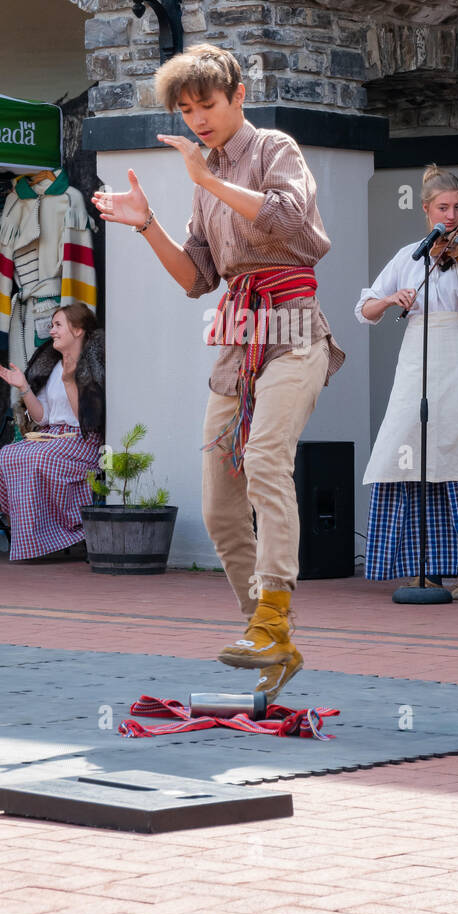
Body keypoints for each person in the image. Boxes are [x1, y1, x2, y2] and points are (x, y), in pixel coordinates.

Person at [92, 43, 344, 701]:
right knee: (219, 507)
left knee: (264, 460)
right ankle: (267, 637)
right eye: (186, 109)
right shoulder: (204, 183)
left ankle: (273, 616)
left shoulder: (276, 150)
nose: (197, 118)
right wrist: (146, 225)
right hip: (237, 347)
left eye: (207, 104)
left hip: (293, 334)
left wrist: (205, 181)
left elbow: (293, 225)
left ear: (237, 95)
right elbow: (197, 278)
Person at [355, 164, 458, 599]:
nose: (452, 215)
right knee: (408, 452)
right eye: (443, 207)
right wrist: (389, 299)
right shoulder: (409, 257)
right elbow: (364, 309)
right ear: (426, 210)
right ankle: (422, 565)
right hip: (416, 361)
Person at [0, 302, 104, 561]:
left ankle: (59, 532)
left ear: (77, 330)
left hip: (82, 441)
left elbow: (88, 421)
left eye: (58, 325)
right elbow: (42, 418)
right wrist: (23, 388)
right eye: (52, 325)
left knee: (37, 458)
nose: (51, 330)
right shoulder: (53, 366)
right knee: (8, 455)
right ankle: (29, 535)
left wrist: (70, 381)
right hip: (52, 436)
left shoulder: (92, 364)